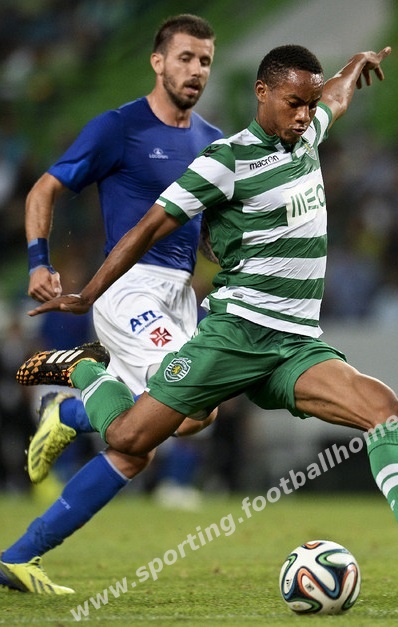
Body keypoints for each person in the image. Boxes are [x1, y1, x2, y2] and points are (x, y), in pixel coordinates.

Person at [13, 44, 398, 588]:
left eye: (309, 104)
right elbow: (147, 228)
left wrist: (354, 67)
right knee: (129, 438)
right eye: (294, 104)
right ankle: (85, 371)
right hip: (235, 335)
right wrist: (87, 295)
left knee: (387, 412)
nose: (304, 115)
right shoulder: (226, 160)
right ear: (262, 93)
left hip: (295, 344)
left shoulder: (307, 134)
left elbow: (335, 99)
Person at [0, 14, 223, 594]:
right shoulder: (119, 128)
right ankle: (82, 378)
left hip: (180, 295)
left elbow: (208, 231)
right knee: (188, 406)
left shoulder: (214, 141)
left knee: (144, 441)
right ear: (158, 61)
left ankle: (19, 553)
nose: (196, 70)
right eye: (185, 58)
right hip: (127, 288)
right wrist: (39, 261)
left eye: (204, 60)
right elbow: (44, 189)